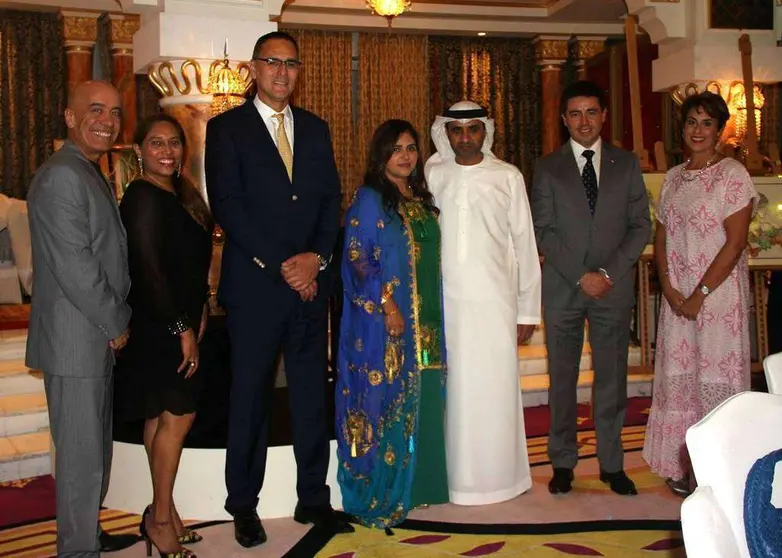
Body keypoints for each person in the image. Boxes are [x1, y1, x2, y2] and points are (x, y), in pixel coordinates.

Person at [204, 31, 351, 548]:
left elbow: (330, 199)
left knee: (313, 396)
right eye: (272, 62)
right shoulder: (226, 129)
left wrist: (315, 260)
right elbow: (228, 204)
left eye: (291, 64)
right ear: (254, 67)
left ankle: (313, 497)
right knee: (250, 399)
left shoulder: (315, 128)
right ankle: (242, 504)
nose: (282, 72)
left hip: (311, 289)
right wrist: (282, 265)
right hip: (258, 287)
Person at [25, 80, 139, 556]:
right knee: (80, 459)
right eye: (95, 110)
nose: (107, 121)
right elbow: (76, 268)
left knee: (94, 453)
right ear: (69, 117)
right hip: (77, 338)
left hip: (90, 337)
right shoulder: (61, 177)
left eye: (114, 112)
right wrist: (117, 321)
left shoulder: (88, 170)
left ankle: (85, 535)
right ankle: (77, 550)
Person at [531, 80, 651, 496]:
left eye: (592, 112)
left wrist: (609, 274)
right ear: (565, 119)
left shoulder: (627, 163)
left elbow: (641, 226)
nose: (584, 121)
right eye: (576, 113)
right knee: (561, 379)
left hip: (612, 290)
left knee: (611, 380)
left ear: (603, 116)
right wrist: (581, 275)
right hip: (565, 288)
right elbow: (543, 230)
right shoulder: (548, 167)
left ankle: (612, 464)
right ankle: (563, 461)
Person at [425, 101, 541, 506]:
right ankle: (452, 479)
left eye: (473, 129)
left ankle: (501, 479)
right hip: (445, 303)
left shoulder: (507, 176)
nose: (465, 137)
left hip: (495, 304)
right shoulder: (431, 172)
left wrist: (528, 309)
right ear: (446, 133)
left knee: (493, 390)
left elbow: (524, 244)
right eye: (457, 130)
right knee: (453, 391)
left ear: (485, 132)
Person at [642, 92, 757, 497]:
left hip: (717, 299)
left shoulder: (733, 175)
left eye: (707, 123)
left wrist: (700, 293)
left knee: (714, 379)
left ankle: (716, 467)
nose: (697, 130)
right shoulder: (673, 177)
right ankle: (683, 466)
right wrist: (670, 286)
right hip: (678, 298)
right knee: (682, 383)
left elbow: (735, 242)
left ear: (720, 129)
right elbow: (662, 234)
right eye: (691, 122)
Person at [336, 120, 448, 529]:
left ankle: (422, 486)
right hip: (388, 322)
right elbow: (357, 259)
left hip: (428, 317)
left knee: (426, 393)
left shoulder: (419, 198)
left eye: (411, 148)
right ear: (381, 155)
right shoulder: (369, 200)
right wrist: (388, 306)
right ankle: (384, 490)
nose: (405, 155)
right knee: (386, 400)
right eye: (396, 148)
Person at [114, 113, 214, 556]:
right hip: (160, 324)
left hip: (181, 319)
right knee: (179, 416)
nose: (167, 151)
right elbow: (149, 271)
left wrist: (203, 309)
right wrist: (181, 328)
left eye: (174, 143)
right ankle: (159, 519)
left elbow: (190, 265)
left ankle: (164, 511)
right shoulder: (140, 197)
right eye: (156, 143)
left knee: (160, 417)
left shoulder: (179, 193)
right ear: (139, 150)